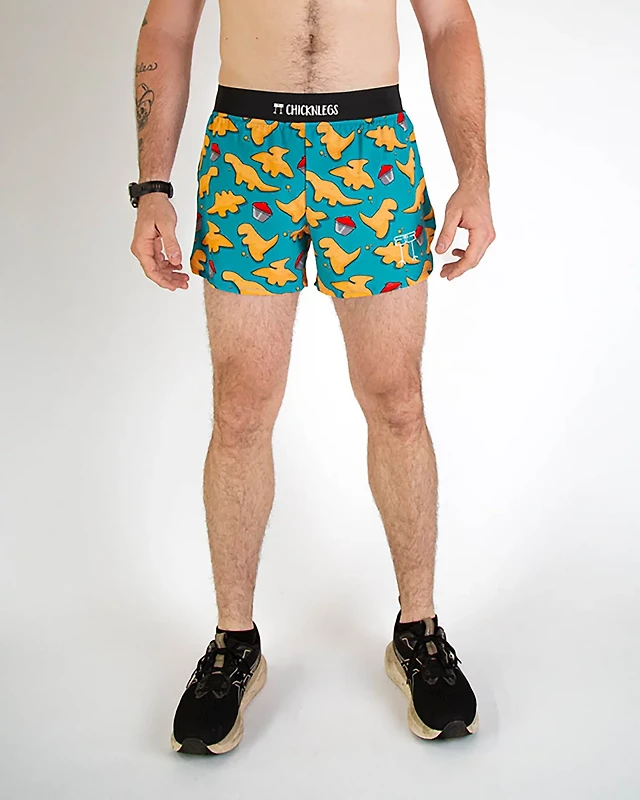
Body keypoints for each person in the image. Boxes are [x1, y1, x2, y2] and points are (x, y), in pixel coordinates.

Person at [130, 0, 495, 754]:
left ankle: (419, 631)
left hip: (372, 144)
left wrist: (475, 174)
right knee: (239, 410)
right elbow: (166, 27)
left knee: (397, 401)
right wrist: (152, 187)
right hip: (246, 148)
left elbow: (448, 25)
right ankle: (234, 643)